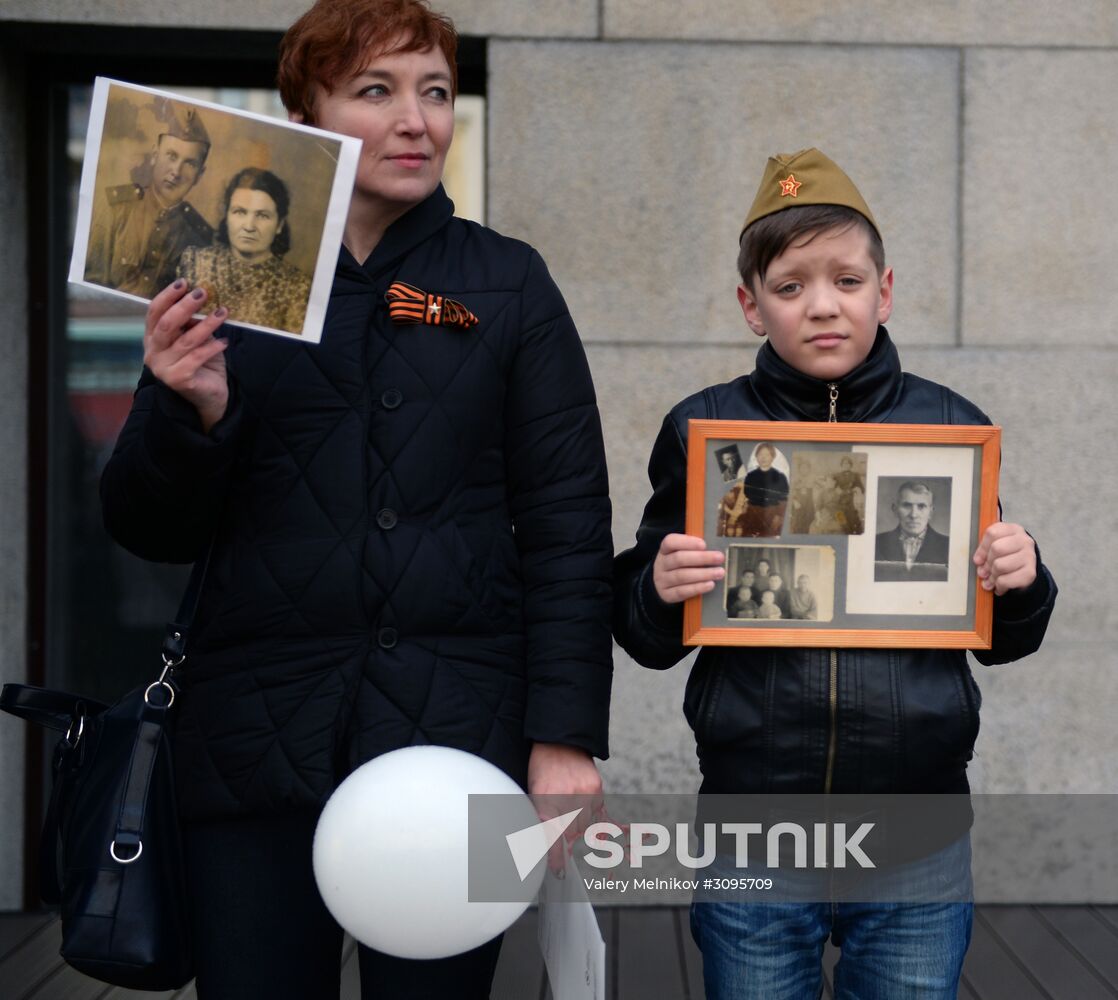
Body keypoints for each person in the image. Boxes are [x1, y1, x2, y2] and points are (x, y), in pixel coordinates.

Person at [99, 2, 612, 998]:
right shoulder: (221, 282)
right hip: (255, 736)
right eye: (374, 91)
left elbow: (565, 530)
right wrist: (182, 411)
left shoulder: (507, 283)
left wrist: (564, 738)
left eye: (432, 91)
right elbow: (143, 526)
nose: (414, 119)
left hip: (457, 739)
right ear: (304, 112)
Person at [613, 148, 1056, 999]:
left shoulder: (952, 430)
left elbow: (1004, 637)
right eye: (790, 286)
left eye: (848, 281)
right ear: (752, 305)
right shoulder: (702, 428)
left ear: (883, 292)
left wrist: (1023, 578)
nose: (823, 304)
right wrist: (657, 590)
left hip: (916, 830)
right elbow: (642, 631)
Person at [85, 104, 213, 296]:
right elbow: (90, 285)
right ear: (155, 155)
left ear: (200, 175)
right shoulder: (117, 208)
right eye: (171, 156)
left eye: (190, 163)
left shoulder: (201, 237)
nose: (176, 172)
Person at [178, 167, 312, 333]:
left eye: (262, 215)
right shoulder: (196, 262)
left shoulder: (297, 287)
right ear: (227, 216)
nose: (249, 227)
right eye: (240, 212)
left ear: (279, 225)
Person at [875, 481, 950, 581]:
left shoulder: (948, 545)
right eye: (906, 505)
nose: (913, 515)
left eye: (921, 506)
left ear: (931, 512)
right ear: (895, 509)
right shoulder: (876, 542)